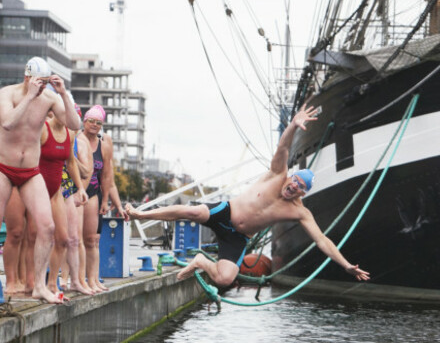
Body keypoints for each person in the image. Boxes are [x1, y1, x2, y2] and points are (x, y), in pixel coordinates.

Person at [126, 105, 370, 288]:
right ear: (289, 178)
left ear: (302, 193)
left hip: (238, 237)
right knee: (194, 211)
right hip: (226, 212)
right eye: (293, 181)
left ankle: (201, 261)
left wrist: (346, 264)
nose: (292, 187)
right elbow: (283, 147)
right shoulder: (277, 173)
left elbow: (322, 241)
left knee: (225, 278)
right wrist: (294, 125)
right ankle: (142, 213)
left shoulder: (299, 211)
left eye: (298, 188)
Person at [0, 57, 81, 304]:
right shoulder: (7, 93)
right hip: (4, 167)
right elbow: (7, 123)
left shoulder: (49, 98)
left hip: (30, 172)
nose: (42, 87)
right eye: (39, 82)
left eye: (45, 83)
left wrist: (63, 94)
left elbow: (74, 124)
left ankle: (39, 286)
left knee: (47, 227)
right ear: (27, 77)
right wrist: (29, 96)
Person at [40, 104, 93, 296]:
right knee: (42, 237)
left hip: (65, 188)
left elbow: (80, 167)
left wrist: (80, 188)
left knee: (69, 238)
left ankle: (69, 281)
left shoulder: (74, 137)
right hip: (44, 187)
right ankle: (40, 282)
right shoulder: (43, 128)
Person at [81, 104, 126, 292]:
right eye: (91, 121)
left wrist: (108, 200)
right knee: (73, 240)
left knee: (94, 239)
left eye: (98, 122)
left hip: (94, 193)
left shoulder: (104, 144)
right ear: (84, 121)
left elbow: (108, 177)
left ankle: (93, 279)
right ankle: (77, 280)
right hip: (75, 192)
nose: (94, 125)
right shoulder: (76, 139)